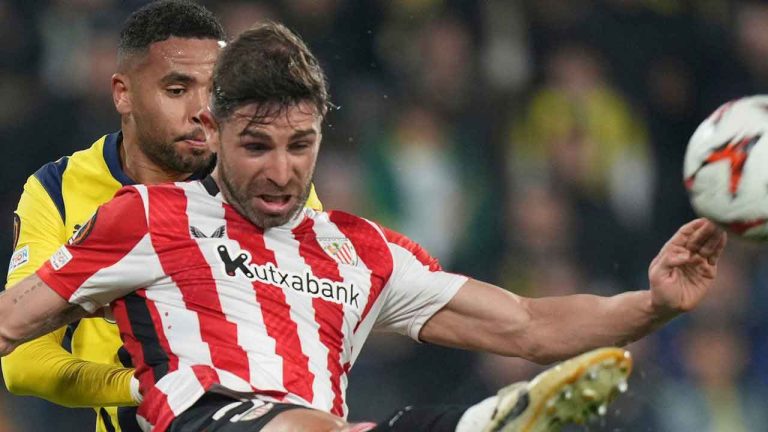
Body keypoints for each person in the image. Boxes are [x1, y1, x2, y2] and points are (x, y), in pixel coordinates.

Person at [0, 22, 726, 432]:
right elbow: (12, 329)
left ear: (322, 134)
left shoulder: (359, 252)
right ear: (213, 131)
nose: (281, 172)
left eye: (300, 145)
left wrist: (654, 303)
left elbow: (529, 325)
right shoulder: (147, 218)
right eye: (256, 146)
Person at [1, 2, 322, 431]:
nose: (202, 111)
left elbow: (315, 321)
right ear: (123, 93)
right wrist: (140, 387)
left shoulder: (266, 182)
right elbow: (22, 362)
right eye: (177, 90)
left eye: (214, 91)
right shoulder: (57, 191)